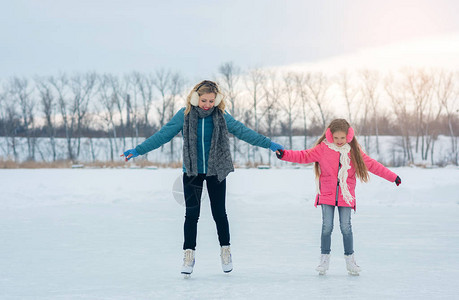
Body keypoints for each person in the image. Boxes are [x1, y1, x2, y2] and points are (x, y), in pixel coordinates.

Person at [122, 80, 284, 276]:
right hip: (192, 171)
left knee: (219, 213)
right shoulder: (184, 115)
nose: (207, 104)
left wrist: (269, 144)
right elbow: (162, 135)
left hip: (216, 170)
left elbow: (243, 132)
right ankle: (188, 255)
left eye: (211, 101)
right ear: (194, 97)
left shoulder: (221, 116)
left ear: (217, 101)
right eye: (203, 100)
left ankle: (226, 251)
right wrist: (138, 150)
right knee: (191, 215)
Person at [276, 119, 401, 276]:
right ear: (330, 135)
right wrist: (285, 155)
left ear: (348, 136)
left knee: (346, 227)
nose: (339, 141)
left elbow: (374, 165)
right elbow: (303, 156)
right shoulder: (323, 149)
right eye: (336, 138)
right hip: (327, 194)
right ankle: (324, 259)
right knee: (327, 227)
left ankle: (350, 261)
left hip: (346, 195)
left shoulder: (354, 151)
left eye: (342, 138)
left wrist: (393, 177)